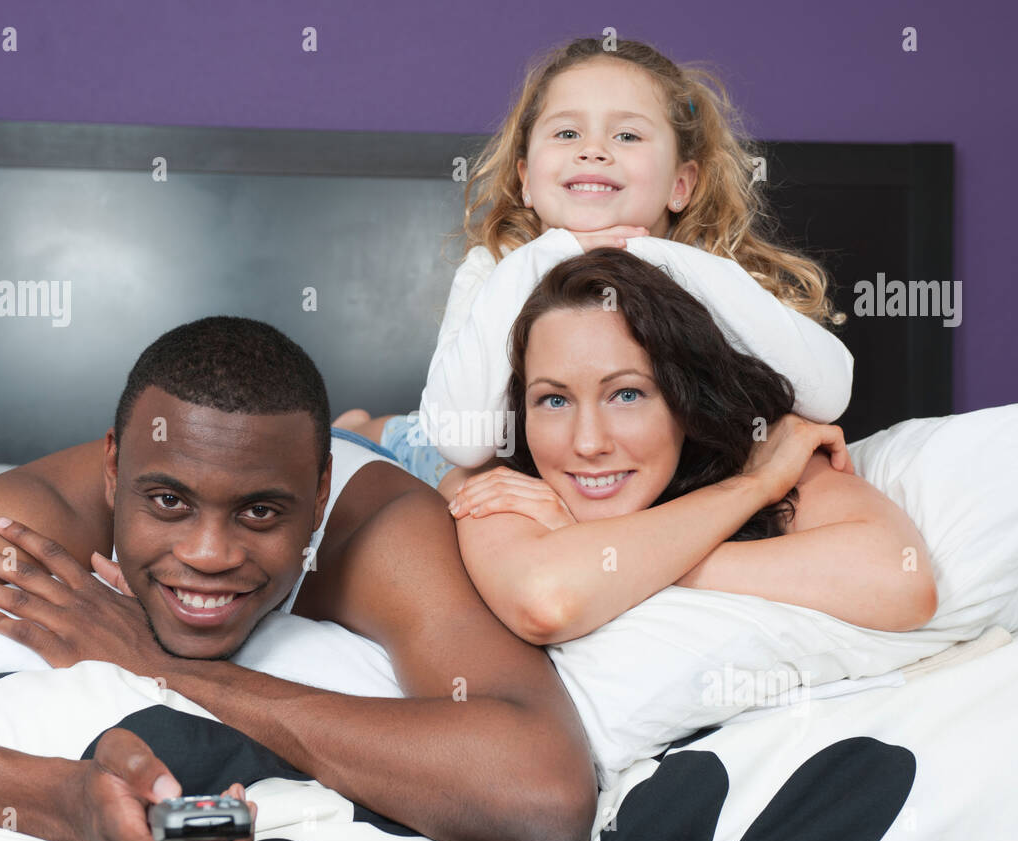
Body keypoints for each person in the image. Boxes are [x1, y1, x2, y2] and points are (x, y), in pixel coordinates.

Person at [0, 317, 597, 841]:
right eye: (168, 503)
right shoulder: (19, 527)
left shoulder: (379, 527)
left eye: (260, 511)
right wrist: (61, 799)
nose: (209, 555)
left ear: (317, 494)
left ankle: (374, 428)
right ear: (114, 469)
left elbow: (546, 798)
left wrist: (170, 668)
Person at [336, 36, 853, 497]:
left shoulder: (711, 274)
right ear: (526, 181)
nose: (593, 151)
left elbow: (828, 394)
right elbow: (462, 440)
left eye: (627, 136)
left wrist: (657, 254)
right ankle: (367, 425)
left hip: (611, 475)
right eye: (566, 134)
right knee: (389, 437)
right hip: (432, 446)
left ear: (682, 184)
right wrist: (550, 252)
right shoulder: (495, 267)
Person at [445, 250, 937, 644]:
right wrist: (752, 489)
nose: (588, 442)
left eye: (627, 394)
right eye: (553, 399)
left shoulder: (765, 451)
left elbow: (902, 583)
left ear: (686, 397)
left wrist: (606, 551)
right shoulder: (495, 485)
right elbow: (548, 602)